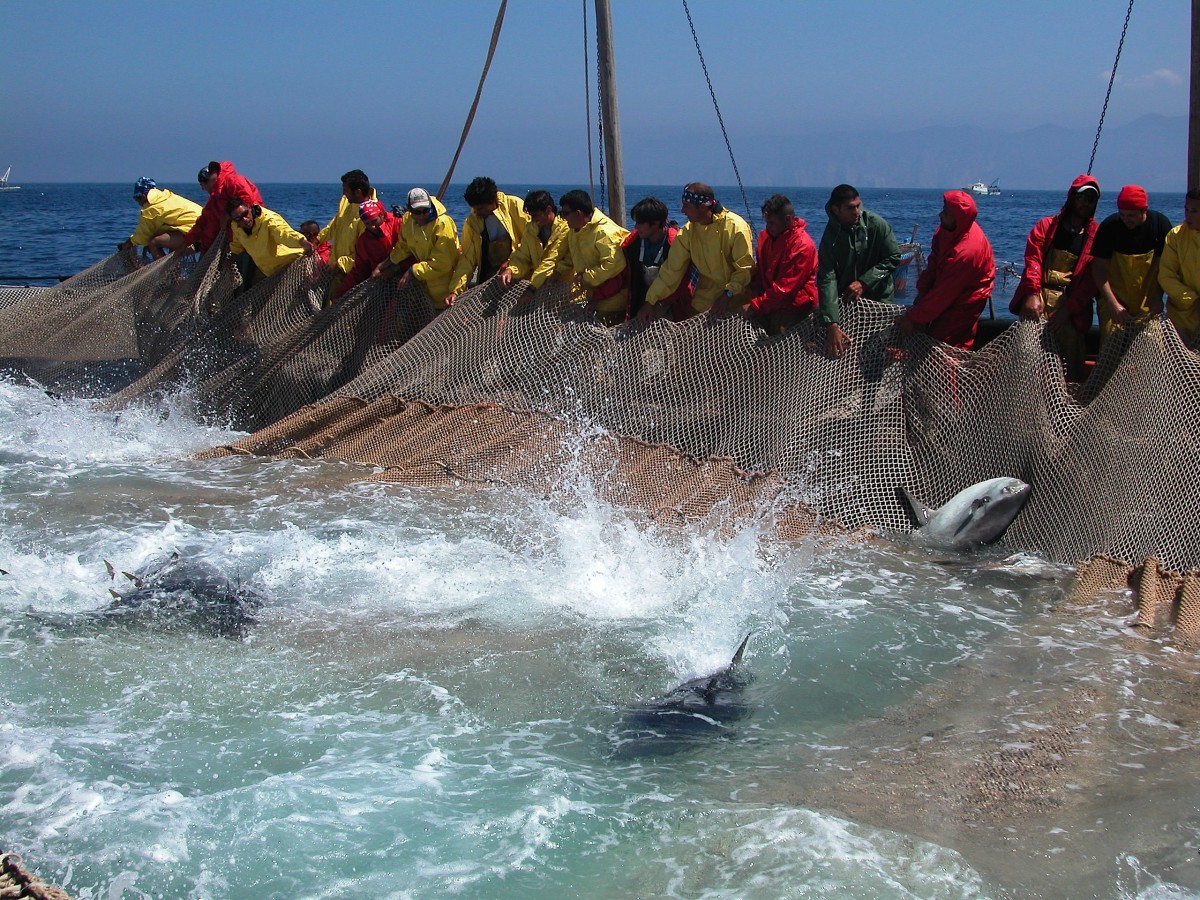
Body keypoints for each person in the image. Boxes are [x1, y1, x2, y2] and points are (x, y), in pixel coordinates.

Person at [1009, 175, 1101, 381]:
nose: (1085, 203)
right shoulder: (1045, 226)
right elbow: (1033, 260)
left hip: (1071, 309)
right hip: (1038, 300)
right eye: (1082, 197)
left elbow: (1090, 282)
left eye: (1091, 199)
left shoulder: (1097, 236)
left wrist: (1067, 311)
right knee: (1027, 359)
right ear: (1071, 197)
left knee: (1070, 364)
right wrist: (1032, 294)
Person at [636, 182, 754, 323]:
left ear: (702, 207)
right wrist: (650, 300)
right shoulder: (687, 232)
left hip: (736, 305)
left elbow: (745, 270)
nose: (682, 211)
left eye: (686, 206)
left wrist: (727, 295)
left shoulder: (736, 227)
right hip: (702, 306)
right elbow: (671, 271)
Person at [897, 190, 994, 349]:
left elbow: (943, 294)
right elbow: (935, 260)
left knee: (947, 344)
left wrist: (912, 318)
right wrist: (923, 290)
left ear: (958, 218)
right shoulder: (947, 229)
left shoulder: (966, 253)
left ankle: (950, 372)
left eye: (946, 213)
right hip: (947, 286)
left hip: (967, 299)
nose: (940, 214)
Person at [816, 184, 902, 357]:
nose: (856, 211)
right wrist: (832, 323)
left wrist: (864, 282)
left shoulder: (877, 224)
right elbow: (827, 278)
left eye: (858, 205)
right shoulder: (830, 237)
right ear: (836, 209)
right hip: (848, 306)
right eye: (850, 208)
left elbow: (893, 257)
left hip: (879, 303)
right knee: (842, 356)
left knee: (874, 357)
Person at [1092, 185, 1172, 338]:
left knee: (1152, 343)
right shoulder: (1109, 227)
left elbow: (1166, 267)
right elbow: (1099, 269)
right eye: (1122, 215)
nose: (1126, 220)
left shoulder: (1160, 225)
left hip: (1147, 302)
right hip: (1114, 300)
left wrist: (1158, 298)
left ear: (1144, 210)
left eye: (1131, 216)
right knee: (1111, 342)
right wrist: (1112, 304)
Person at [446, 176, 530, 305]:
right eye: (474, 208)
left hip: (521, 277)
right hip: (489, 280)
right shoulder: (472, 222)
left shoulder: (515, 206)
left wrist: (511, 263)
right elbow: (467, 259)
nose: (476, 213)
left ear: (492, 201)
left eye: (480, 208)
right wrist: (455, 291)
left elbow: (530, 242)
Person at [741, 193, 818, 334]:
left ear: (788, 219)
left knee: (785, 351)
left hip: (793, 312)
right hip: (769, 306)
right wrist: (755, 289)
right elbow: (761, 270)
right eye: (766, 222)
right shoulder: (766, 237)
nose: (768, 227)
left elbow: (786, 287)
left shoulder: (802, 246)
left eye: (772, 223)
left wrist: (755, 306)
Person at [553, 189, 631, 325]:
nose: (563, 218)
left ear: (578, 214)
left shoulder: (604, 232)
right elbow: (573, 257)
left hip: (614, 303)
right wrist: (558, 272)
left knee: (606, 341)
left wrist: (586, 277)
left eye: (565, 213)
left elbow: (614, 264)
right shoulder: (575, 231)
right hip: (595, 298)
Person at [374, 188, 460, 309]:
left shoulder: (442, 224)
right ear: (409, 209)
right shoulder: (408, 220)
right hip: (425, 293)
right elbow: (403, 247)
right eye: (417, 211)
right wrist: (384, 265)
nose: (422, 215)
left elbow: (442, 264)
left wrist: (413, 271)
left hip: (446, 295)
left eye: (425, 210)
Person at [622, 196, 693, 321]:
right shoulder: (632, 244)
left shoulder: (676, 244)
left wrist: (656, 304)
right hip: (643, 303)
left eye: (640, 223)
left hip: (674, 305)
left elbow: (680, 283)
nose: (636, 227)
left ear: (655, 224)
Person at [317, 169, 378, 301]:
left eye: (346, 190)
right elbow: (335, 223)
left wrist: (340, 265)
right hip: (335, 272)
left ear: (358, 192)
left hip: (352, 275)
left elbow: (365, 253)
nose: (344, 193)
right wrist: (317, 240)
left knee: (339, 310)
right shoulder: (347, 202)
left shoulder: (370, 216)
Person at [179, 161, 263, 255]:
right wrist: (188, 242)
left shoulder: (234, 182)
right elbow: (204, 223)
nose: (203, 189)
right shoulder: (215, 199)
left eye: (202, 186)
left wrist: (227, 215)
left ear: (207, 182)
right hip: (235, 244)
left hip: (253, 237)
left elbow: (251, 204)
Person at [497, 190, 570, 298]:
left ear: (548, 210)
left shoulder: (566, 228)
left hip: (566, 290)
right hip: (541, 289)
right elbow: (522, 255)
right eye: (531, 216)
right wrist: (510, 270)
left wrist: (532, 288)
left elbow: (551, 261)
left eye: (536, 215)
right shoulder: (530, 229)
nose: (533, 220)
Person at [225, 198, 310, 282]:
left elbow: (283, 233)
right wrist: (233, 255)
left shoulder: (269, 220)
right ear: (233, 220)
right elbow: (237, 243)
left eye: (245, 213)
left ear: (248, 207)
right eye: (238, 218)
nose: (245, 219)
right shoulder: (236, 226)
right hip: (271, 272)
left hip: (293, 263)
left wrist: (301, 241)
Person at [118, 178, 203, 258]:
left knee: (154, 243)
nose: (138, 202)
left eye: (137, 198)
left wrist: (125, 245)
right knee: (171, 249)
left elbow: (142, 237)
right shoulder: (167, 196)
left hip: (196, 233)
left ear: (143, 197)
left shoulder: (150, 209)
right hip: (206, 227)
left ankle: (166, 273)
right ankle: (173, 271)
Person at [335, 200, 402, 300]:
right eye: (367, 224)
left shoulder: (399, 224)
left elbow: (413, 253)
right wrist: (341, 294)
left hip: (408, 277)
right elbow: (359, 271)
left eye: (374, 221)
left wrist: (394, 269)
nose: (372, 227)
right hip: (383, 286)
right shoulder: (363, 242)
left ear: (382, 215)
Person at [1158, 188, 1200, 343]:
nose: (1188, 215)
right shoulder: (1175, 236)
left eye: (1194, 211)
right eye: (1186, 209)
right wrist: (1193, 300)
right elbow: (1166, 276)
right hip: (1180, 321)